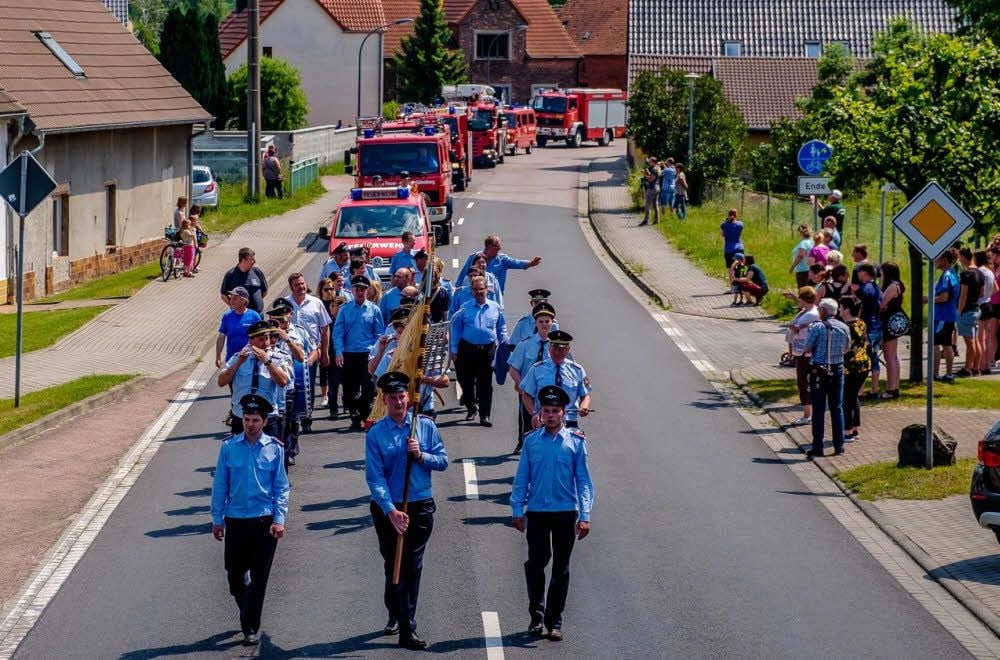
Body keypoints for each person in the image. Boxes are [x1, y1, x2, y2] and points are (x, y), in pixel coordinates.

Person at [365, 371, 448, 650]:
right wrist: (391, 511)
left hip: (419, 505)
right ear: (385, 400)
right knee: (392, 564)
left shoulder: (423, 426)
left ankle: (408, 627)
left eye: (402, 396)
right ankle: (395, 612)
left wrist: (421, 455)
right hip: (388, 508)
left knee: (411, 564)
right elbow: (375, 478)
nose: (398, 402)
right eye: (393, 398)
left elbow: (443, 461)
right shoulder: (376, 433)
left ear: (408, 398)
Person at [510, 384, 594, 642]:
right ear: (540, 412)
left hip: (565, 512)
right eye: (546, 410)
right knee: (536, 563)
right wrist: (517, 509)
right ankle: (536, 614)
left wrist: (585, 515)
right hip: (537, 512)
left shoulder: (576, 442)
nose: (550, 415)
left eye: (555, 411)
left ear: (563, 412)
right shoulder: (531, 441)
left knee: (561, 568)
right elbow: (522, 477)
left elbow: (583, 481)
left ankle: (554, 621)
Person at [210, 393, 289, 647]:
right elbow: (220, 485)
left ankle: (250, 627)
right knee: (234, 575)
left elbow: (281, 487)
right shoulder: (229, 447)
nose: (250, 424)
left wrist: (280, 519)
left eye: (255, 420)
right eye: (246, 419)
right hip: (236, 520)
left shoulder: (275, 448)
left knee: (259, 577)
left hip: (264, 521)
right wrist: (217, 518)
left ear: (264, 422)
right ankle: (247, 610)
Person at [450, 275, 507, 426]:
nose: (478, 292)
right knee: (467, 382)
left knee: (485, 383)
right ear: (472, 290)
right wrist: (453, 351)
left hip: (487, 350)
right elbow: (455, 330)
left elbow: (501, 328)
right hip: (467, 349)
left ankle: (485, 415)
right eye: (475, 289)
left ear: (487, 289)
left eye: (481, 289)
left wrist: (504, 344)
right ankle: (471, 408)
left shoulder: (495, 308)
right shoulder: (464, 308)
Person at [218, 321, 289, 436]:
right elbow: (221, 382)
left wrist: (267, 362)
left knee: (267, 453)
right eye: (261, 340)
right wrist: (238, 364)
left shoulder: (278, 359)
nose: (265, 343)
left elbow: (283, 382)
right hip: (241, 416)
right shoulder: (238, 358)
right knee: (240, 453)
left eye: (267, 339)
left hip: (267, 418)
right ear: (250, 341)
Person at [333, 275, 385, 429]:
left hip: (367, 355)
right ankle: (354, 415)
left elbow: (379, 333)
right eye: (357, 289)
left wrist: (376, 353)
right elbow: (338, 333)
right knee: (350, 388)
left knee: (368, 386)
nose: (360, 292)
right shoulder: (344, 310)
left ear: (368, 291)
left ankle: (365, 413)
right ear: (352, 291)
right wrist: (338, 352)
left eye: (363, 289)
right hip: (349, 354)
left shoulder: (374, 309)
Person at [804, 299, 851, 460]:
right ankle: (839, 445)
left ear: (823, 310)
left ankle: (818, 446)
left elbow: (807, 348)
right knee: (837, 408)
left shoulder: (816, 327)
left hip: (820, 370)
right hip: (837, 369)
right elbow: (847, 348)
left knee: (818, 409)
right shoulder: (844, 327)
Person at [508, 302, 556, 453]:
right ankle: (524, 445)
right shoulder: (525, 344)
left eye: (547, 321)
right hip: (529, 392)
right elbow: (513, 368)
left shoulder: (556, 347)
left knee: (551, 426)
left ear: (552, 323)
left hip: (550, 393)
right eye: (541, 321)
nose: (544, 325)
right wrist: (522, 385)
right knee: (528, 423)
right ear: (535, 322)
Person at [519, 330, 592, 431]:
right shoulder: (537, 369)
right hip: (545, 421)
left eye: (561, 349)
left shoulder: (577, 370)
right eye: (554, 348)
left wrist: (584, 406)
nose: (557, 352)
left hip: (569, 422)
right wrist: (534, 413)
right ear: (549, 348)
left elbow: (585, 395)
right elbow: (526, 395)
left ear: (568, 350)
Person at [288, 273, 332, 432]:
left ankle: (307, 417)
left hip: (312, 351)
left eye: (302, 283)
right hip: (291, 353)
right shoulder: (286, 304)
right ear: (291, 287)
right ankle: (293, 417)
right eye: (297, 285)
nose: (301, 287)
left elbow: (325, 328)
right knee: (292, 385)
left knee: (308, 384)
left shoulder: (316, 303)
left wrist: (325, 352)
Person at [267, 300, 308, 465]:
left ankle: (287, 452)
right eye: (280, 321)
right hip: (269, 387)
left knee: (289, 423)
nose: (283, 324)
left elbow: (300, 357)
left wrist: (288, 340)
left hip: (288, 386)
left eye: (285, 320)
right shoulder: (267, 332)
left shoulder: (294, 333)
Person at [456, 234, 542, 292]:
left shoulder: (502, 260)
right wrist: (457, 290)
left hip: (494, 296)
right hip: (474, 294)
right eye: (497, 246)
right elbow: (463, 275)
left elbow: (517, 263)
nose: (500, 248)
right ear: (489, 247)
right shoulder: (474, 257)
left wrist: (531, 263)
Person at [839, 297, 870, 442]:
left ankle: (847, 431)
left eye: (841, 307)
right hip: (864, 365)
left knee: (846, 400)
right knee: (853, 397)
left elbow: (845, 348)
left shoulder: (846, 327)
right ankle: (855, 428)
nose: (839, 310)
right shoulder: (861, 322)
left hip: (851, 368)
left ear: (847, 310)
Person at [787, 287, 820, 425]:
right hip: (800, 350)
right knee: (803, 381)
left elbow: (796, 327)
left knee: (804, 382)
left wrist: (793, 327)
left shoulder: (811, 314)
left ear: (805, 299)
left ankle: (808, 415)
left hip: (805, 353)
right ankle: (808, 413)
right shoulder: (806, 310)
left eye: (799, 297)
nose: (798, 299)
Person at [927, 251, 960, 382]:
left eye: (937, 258)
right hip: (949, 315)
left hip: (942, 316)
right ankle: (949, 374)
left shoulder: (946, 276)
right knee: (947, 344)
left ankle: (935, 374)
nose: (935, 260)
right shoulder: (952, 274)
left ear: (944, 260)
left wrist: (927, 299)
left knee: (935, 344)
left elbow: (944, 297)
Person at [215, 287, 262, 369]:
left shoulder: (254, 316)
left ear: (243, 301)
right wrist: (218, 356)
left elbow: (261, 338)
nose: (231, 301)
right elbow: (221, 336)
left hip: (250, 360)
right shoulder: (227, 316)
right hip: (232, 360)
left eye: (235, 299)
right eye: (231, 298)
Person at [318, 277, 345, 418]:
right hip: (331, 352)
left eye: (332, 288)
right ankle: (333, 408)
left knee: (347, 383)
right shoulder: (323, 311)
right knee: (333, 382)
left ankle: (348, 406)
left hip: (345, 353)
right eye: (327, 289)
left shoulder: (345, 316)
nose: (330, 292)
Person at [878, 262, 905, 399]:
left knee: (889, 357)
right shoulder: (898, 284)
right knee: (893, 356)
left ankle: (891, 388)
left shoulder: (892, 286)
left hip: (888, 323)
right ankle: (895, 386)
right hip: (893, 322)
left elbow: (881, 303)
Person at [855, 264, 883, 398]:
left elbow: (860, 308)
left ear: (865, 272)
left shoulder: (864, 289)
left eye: (859, 272)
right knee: (874, 358)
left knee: (863, 360)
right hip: (877, 326)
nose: (858, 275)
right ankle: (874, 389)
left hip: (868, 328)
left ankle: (860, 391)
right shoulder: (877, 288)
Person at [956, 247, 984, 377]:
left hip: (967, 310)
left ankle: (967, 369)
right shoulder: (980, 273)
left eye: (960, 257)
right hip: (976, 308)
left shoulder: (967, 274)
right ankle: (976, 367)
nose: (959, 260)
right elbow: (981, 293)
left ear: (964, 257)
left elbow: (963, 295)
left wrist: (959, 311)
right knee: (975, 340)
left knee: (969, 341)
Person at [221, 247, 269, 313]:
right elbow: (224, 295)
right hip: (241, 317)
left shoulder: (257, 271)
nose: (254, 261)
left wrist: (257, 301)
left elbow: (264, 291)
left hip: (258, 315)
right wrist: (233, 306)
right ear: (243, 260)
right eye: (252, 259)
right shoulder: (231, 274)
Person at [638, 156, 660, 226]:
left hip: (652, 188)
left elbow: (651, 179)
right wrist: (647, 173)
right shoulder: (658, 168)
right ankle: (656, 220)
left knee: (647, 205)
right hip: (657, 187)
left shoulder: (654, 169)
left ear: (653, 162)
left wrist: (645, 175)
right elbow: (652, 176)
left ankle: (646, 220)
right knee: (655, 205)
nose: (649, 163)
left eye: (650, 162)